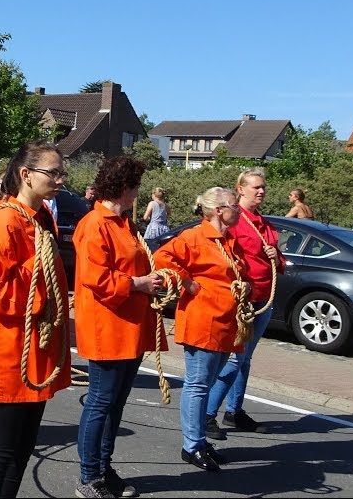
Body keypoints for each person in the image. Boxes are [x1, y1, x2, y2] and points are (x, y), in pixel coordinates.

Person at [0, 141, 72, 498]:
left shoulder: (41, 218)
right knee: (1, 451)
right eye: (53, 172)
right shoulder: (4, 222)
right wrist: (40, 265)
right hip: (9, 350)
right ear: (26, 175)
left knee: (23, 449)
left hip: (35, 349)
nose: (60, 179)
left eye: (63, 173)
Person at [73, 156, 164, 499]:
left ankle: (103, 469)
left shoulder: (123, 223)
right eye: (136, 186)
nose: (138, 192)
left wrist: (151, 282)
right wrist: (139, 283)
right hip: (107, 326)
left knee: (114, 404)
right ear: (124, 188)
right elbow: (95, 277)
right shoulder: (95, 223)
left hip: (130, 326)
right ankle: (88, 476)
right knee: (101, 402)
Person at [152, 187, 244, 473]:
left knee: (207, 381)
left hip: (225, 321)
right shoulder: (194, 237)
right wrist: (186, 282)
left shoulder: (227, 240)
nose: (239, 210)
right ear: (218, 210)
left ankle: (199, 441)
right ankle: (192, 445)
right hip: (204, 319)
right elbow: (162, 259)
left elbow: (234, 272)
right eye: (234, 206)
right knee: (198, 384)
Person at [205, 168, 284, 440]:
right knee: (235, 357)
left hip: (264, 297)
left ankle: (234, 410)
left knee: (245, 359)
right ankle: (207, 414)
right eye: (255, 187)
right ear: (240, 189)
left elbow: (278, 262)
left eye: (263, 187)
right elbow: (224, 256)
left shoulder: (266, 224)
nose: (261, 191)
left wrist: (276, 256)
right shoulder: (235, 221)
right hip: (243, 299)